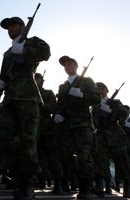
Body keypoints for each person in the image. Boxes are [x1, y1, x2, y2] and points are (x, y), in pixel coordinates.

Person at [0, 17, 50, 200]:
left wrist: (24, 51)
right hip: (9, 99)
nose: (11, 29)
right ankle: (19, 175)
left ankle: (27, 184)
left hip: (27, 97)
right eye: (8, 27)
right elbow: (5, 73)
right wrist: (0, 82)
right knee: (6, 139)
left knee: (27, 140)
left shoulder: (32, 41)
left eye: (14, 25)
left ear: (23, 27)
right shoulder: (7, 53)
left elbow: (46, 52)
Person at [54, 55, 100, 199]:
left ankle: (86, 188)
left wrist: (82, 95)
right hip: (67, 126)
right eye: (65, 65)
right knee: (66, 156)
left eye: (70, 64)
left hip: (82, 125)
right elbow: (60, 104)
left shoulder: (87, 81)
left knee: (84, 156)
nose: (67, 66)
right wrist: (57, 114)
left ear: (76, 66)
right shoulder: (63, 86)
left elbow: (96, 99)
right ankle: (70, 182)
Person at [92, 82, 130, 198]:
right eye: (97, 90)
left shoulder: (115, 102)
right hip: (102, 137)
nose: (100, 91)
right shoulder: (95, 106)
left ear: (107, 90)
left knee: (122, 162)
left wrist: (112, 111)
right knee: (101, 162)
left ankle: (127, 189)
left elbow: (124, 114)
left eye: (102, 89)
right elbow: (95, 122)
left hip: (115, 136)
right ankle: (101, 187)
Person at [34, 73, 64, 194]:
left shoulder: (48, 93)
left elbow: (53, 107)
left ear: (42, 80)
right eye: (34, 78)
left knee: (52, 156)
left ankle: (58, 183)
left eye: (38, 78)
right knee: (35, 155)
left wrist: (40, 106)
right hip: (32, 127)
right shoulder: (28, 92)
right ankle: (39, 177)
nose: (36, 80)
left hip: (46, 128)